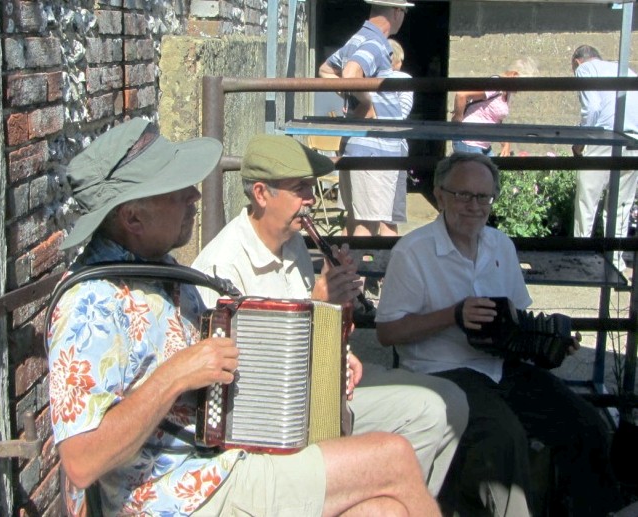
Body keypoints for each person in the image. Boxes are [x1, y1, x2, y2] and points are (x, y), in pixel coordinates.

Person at [46, 118, 440, 516]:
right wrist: (176, 375)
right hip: (175, 495)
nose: (193, 196)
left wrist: (321, 356)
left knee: (381, 511)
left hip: (222, 462)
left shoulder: (160, 272)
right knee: (393, 457)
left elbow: (229, 367)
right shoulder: (89, 304)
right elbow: (81, 461)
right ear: (132, 218)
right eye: (177, 191)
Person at [192, 133, 468, 497]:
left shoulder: (292, 244)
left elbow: (321, 334)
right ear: (261, 194)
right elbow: (245, 381)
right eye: (300, 189)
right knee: (428, 411)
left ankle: (391, 501)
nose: (310, 200)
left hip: (318, 387)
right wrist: (318, 303)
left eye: (312, 187)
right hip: (276, 420)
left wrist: (340, 327)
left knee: (449, 404)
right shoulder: (222, 265)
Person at [375, 152, 623, 517]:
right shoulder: (412, 252)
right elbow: (387, 332)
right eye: (463, 195)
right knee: (502, 439)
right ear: (440, 196)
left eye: (483, 197)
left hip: (499, 367)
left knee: (585, 423)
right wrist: (453, 315)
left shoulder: (500, 245)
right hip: (441, 371)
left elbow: (517, 320)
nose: (473, 206)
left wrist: (549, 342)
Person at [318, 0, 412, 237]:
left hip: (358, 145)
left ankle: (350, 273)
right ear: (397, 12)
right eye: (404, 12)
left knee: (356, 219)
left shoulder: (357, 38)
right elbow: (350, 74)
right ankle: (359, 274)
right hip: (375, 149)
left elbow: (326, 71)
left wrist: (353, 97)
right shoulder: (375, 43)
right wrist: (367, 101)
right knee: (367, 224)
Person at [570, 44, 638, 272]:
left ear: (578, 61)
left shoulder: (585, 70)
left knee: (587, 201)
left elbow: (592, 108)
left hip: (603, 138)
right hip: (633, 140)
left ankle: (581, 259)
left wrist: (580, 142)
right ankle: (616, 262)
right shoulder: (626, 70)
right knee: (621, 205)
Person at [450, 58, 538, 156]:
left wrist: (506, 142)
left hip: (483, 145)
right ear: (514, 75)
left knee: (493, 170)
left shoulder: (506, 91)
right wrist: (458, 120)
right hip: (468, 141)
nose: (521, 89)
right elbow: (461, 95)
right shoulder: (496, 84)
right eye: (521, 85)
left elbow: (495, 119)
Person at [382, 37, 414, 236]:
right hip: (394, 145)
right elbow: (402, 114)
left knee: (359, 218)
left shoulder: (363, 78)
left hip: (364, 146)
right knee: (390, 217)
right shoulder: (404, 79)